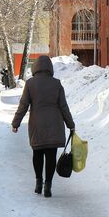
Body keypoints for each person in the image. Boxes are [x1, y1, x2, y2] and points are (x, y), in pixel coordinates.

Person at [11, 55, 75, 198]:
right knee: (51, 156)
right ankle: (48, 185)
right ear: (50, 68)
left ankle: (38, 182)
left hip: (37, 125)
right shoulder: (57, 84)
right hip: (55, 124)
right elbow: (64, 107)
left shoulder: (30, 84)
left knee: (37, 154)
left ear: (35, 68)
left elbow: (23, 105)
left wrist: (16, 123)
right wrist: (71, 125)